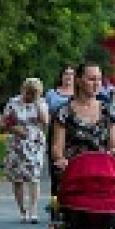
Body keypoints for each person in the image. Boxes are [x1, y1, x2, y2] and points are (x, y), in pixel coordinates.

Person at [52, 61, 115, 229]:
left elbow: (114, 143)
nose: (96, 83)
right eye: (91, 79)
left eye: (99, 79)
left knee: (106, 228)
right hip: (77, 177)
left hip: (103, 176)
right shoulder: (64, 112)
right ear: (79, 81)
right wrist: (61, 160)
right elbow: (57, 147)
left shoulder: (108, 110)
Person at [0, 78, 49, 224]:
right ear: (23, 90)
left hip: (34, 143)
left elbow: (46, 122)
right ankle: (23, 210)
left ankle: (33, 210)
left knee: (34, 176)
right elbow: (3, 123)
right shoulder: (13, 102)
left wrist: (38, 105)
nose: (29, 96)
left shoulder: (41, 103)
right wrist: (14, 128)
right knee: (18, 178)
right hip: (16, 143)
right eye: (28, 93)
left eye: (33, 94)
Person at [44, 65, 75, 198]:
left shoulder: (79, 93)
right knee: (56, 168)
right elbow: (46, 116)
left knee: (72, 168)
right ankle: (56, 203)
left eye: (71, 74)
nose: (68, 77)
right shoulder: (51, 94)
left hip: (73, 133)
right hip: (54, 132)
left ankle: (72, 200)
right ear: (61, 76)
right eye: (66, 74)